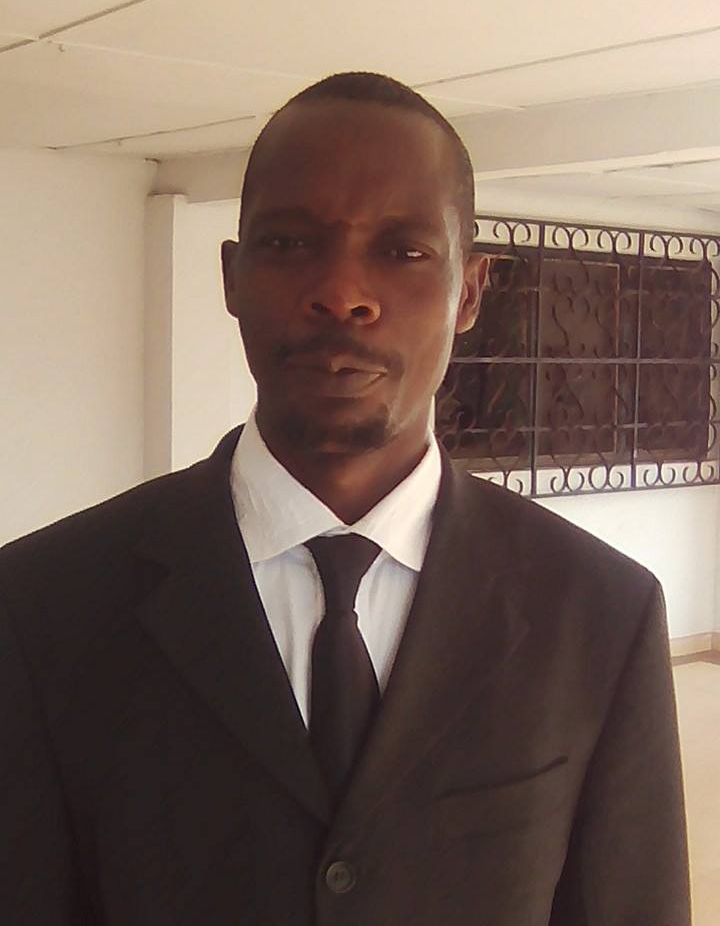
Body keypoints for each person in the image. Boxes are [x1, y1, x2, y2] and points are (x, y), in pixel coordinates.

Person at [0, 72, 690, 926]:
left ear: (470, 292)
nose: (342, 293)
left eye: (403, 251)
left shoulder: (600, 612)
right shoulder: (44, 605)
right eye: (291, 242)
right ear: (232, 277)